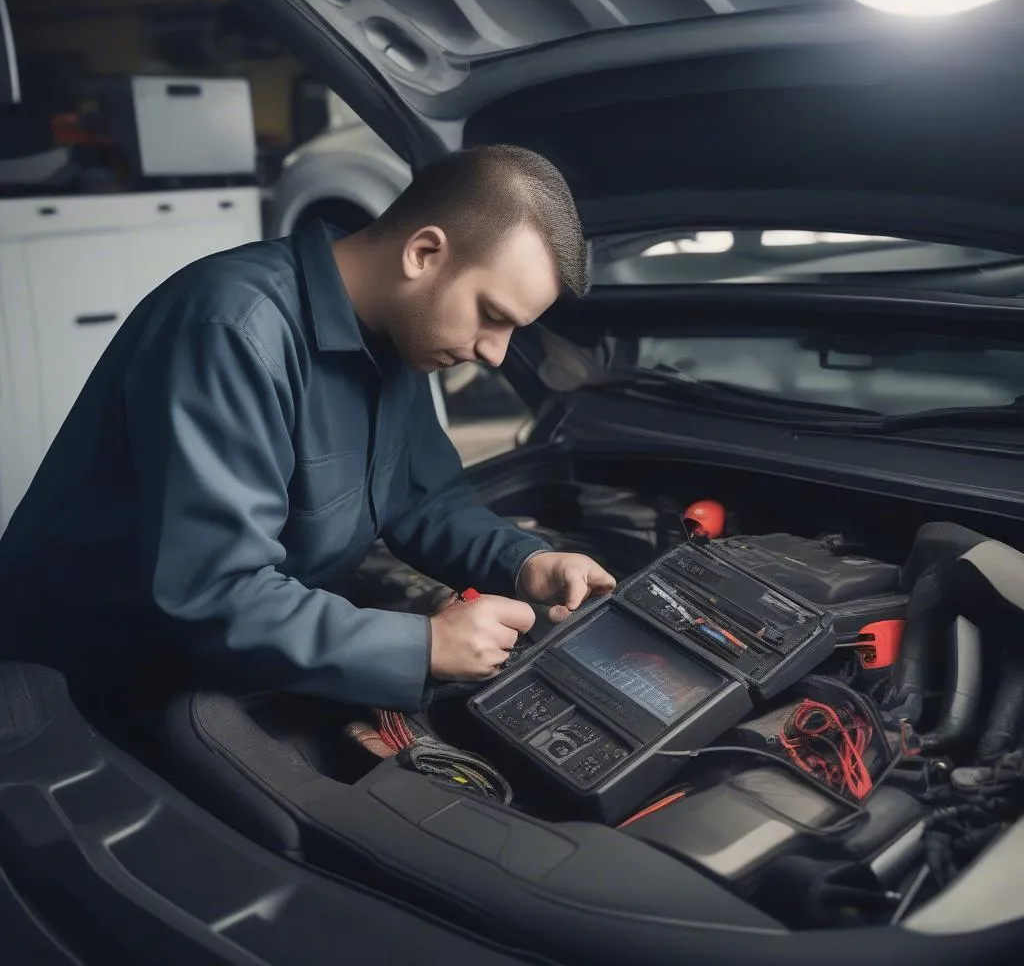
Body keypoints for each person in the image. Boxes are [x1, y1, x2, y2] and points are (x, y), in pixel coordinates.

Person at [0, 144, 615, 723]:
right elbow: (216, 592)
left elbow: (425, 497)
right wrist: (422, 645)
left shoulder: (405, 334)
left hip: (239, 654)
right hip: (84, 684)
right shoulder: (232, 330)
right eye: (492, 316)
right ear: (424, 253)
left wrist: (525, 561)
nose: (496, 354)